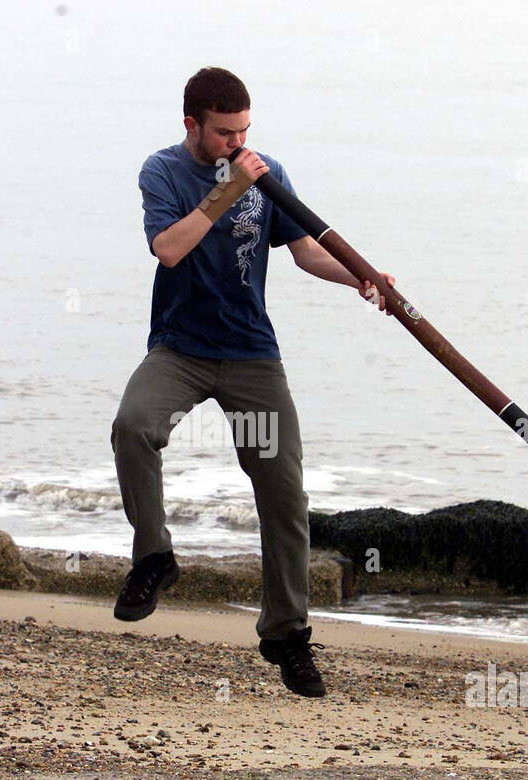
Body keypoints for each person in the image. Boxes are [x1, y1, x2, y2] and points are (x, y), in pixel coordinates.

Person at [110, 66, 393, 698]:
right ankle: (154, 557)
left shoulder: (268, 172)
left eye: (244, 131)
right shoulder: (162, 172)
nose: (237, 144)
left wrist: (362, 278)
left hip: (250, 357)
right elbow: (169, 249)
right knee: (134, 426)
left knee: (283, 489)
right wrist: (228, 189)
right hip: (180, 350)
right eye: (223, 133)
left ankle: (287, 634)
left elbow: (304, 250)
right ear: (192, 125)